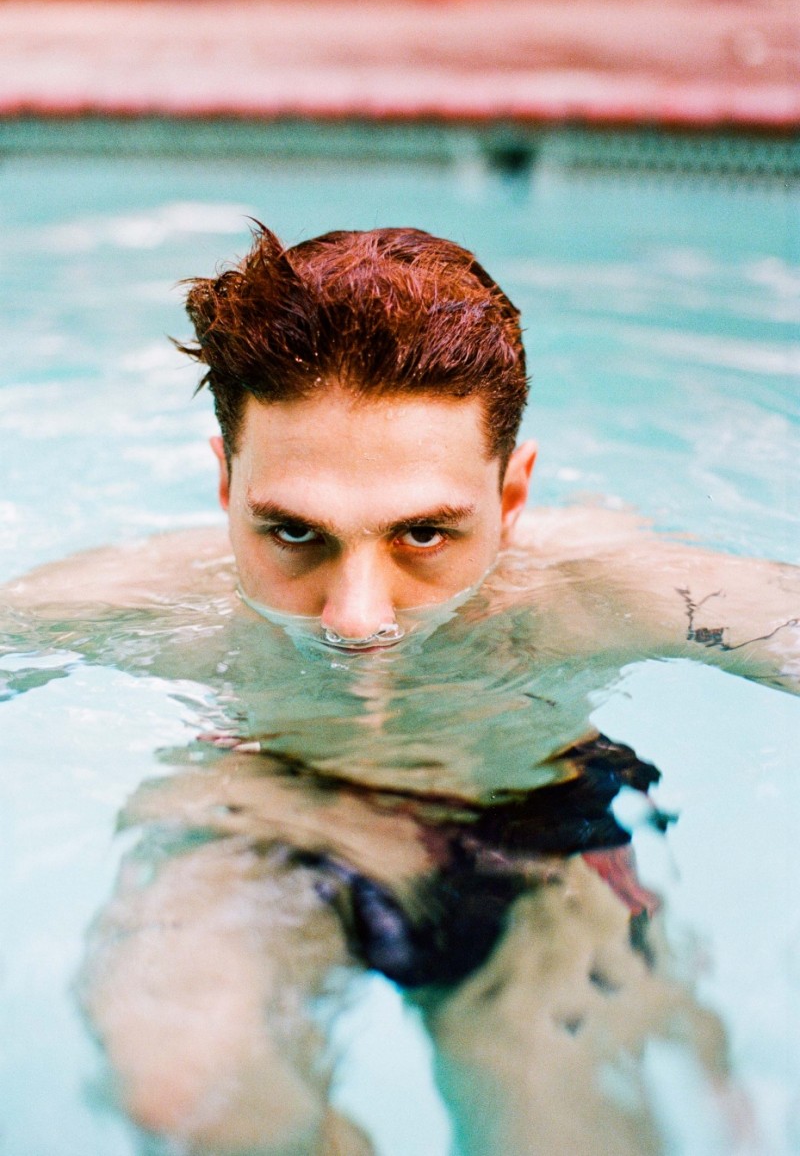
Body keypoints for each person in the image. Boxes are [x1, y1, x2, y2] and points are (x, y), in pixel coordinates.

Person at [4, 224, 797, 1153]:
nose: (357, 618)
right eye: (296, 533)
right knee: (185, 1093)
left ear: (512, 496)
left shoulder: (604, 590)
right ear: (225, 486)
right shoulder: (132, 601)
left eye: (424, 533)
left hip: (537, 840)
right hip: (265, 821)